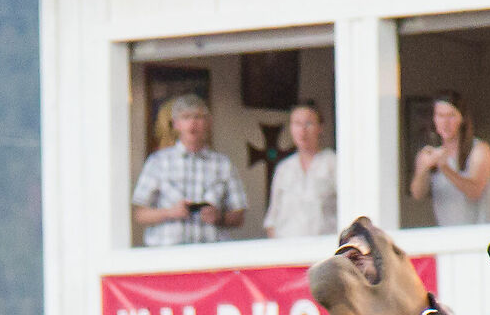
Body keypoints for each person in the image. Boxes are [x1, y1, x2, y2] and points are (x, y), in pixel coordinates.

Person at [131, 94, 245, 247]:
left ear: (208, 122)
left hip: (211, 253)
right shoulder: (157, 162)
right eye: (185, 117)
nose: (192, 123)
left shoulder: (224, 164)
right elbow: (140, 214)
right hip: (168, 253)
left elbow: (239, 216)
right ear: (176, 124)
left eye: (198, 117)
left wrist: (219, 217)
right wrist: (170, 213)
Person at [410, 92, 490, 227]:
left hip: (482, 231)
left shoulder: (479, 149)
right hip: (448, 232)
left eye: (451, 116)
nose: (445, 123)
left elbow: (474, 192)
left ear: (462, 119)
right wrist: (423, 169)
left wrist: (445, 168)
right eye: (440, 116)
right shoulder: (429, 152)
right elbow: (418, 194)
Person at [263, 99, 338, 239]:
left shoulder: (333, 163)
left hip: (324, 247)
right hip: (288, 248)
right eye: (297, 124)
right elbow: (272, 220)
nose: (302, 130)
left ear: (320, 127)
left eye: (308, 123)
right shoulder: (284, 169)